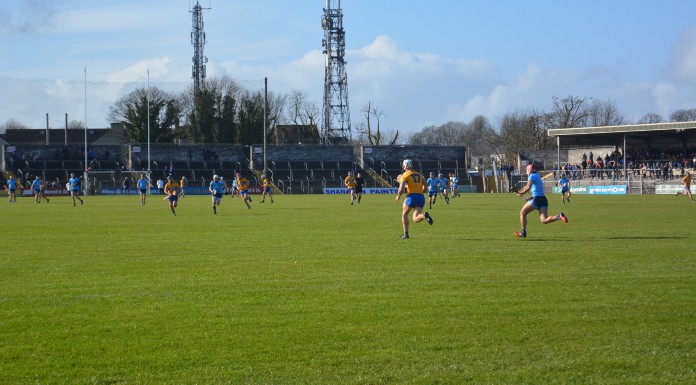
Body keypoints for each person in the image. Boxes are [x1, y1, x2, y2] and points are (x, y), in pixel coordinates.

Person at [514, 164, 567, 238]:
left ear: (529, 170)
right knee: (544, 220)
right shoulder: (537, 176)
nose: (526, 172)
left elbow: (528, 187)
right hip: (543, 199)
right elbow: (535, 190)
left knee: (522, 213)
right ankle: (559, 216)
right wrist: (529, 197)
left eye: (527, 171)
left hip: (537, 199)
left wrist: (520, 193)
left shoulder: (531, 176)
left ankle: (523, 232)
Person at [395, 159, 433, 239]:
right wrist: (421, 190)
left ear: (405, 166)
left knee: (404, 214)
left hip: (412, 197)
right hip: (421, 197)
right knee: (415, 218)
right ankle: (424, 216)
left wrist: (398, 196)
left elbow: (401, 189)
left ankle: (406, 234)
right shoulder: (419, 174)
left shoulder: (405, 175)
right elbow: (425, 185)